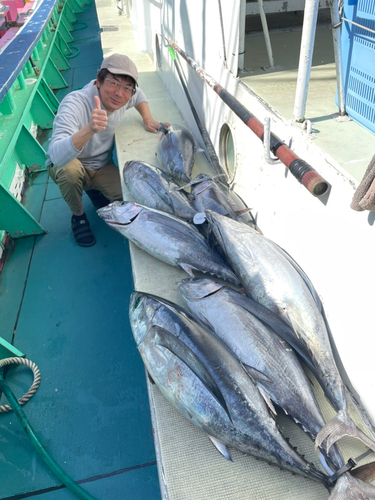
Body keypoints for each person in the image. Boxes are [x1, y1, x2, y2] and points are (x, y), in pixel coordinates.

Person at [46, 53, 169, 247]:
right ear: (99, 81)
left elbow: (139, 96)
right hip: (70, 164)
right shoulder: (75, 103)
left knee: (132, 198)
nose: (120, 93)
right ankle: (78, 217)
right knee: (69, 171)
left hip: (101, 166)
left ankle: (93, 188)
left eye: (127, 87)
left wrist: (147, 118)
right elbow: (56, 156)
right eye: (113, 83)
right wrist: (89, 129)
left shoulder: (125, 96)